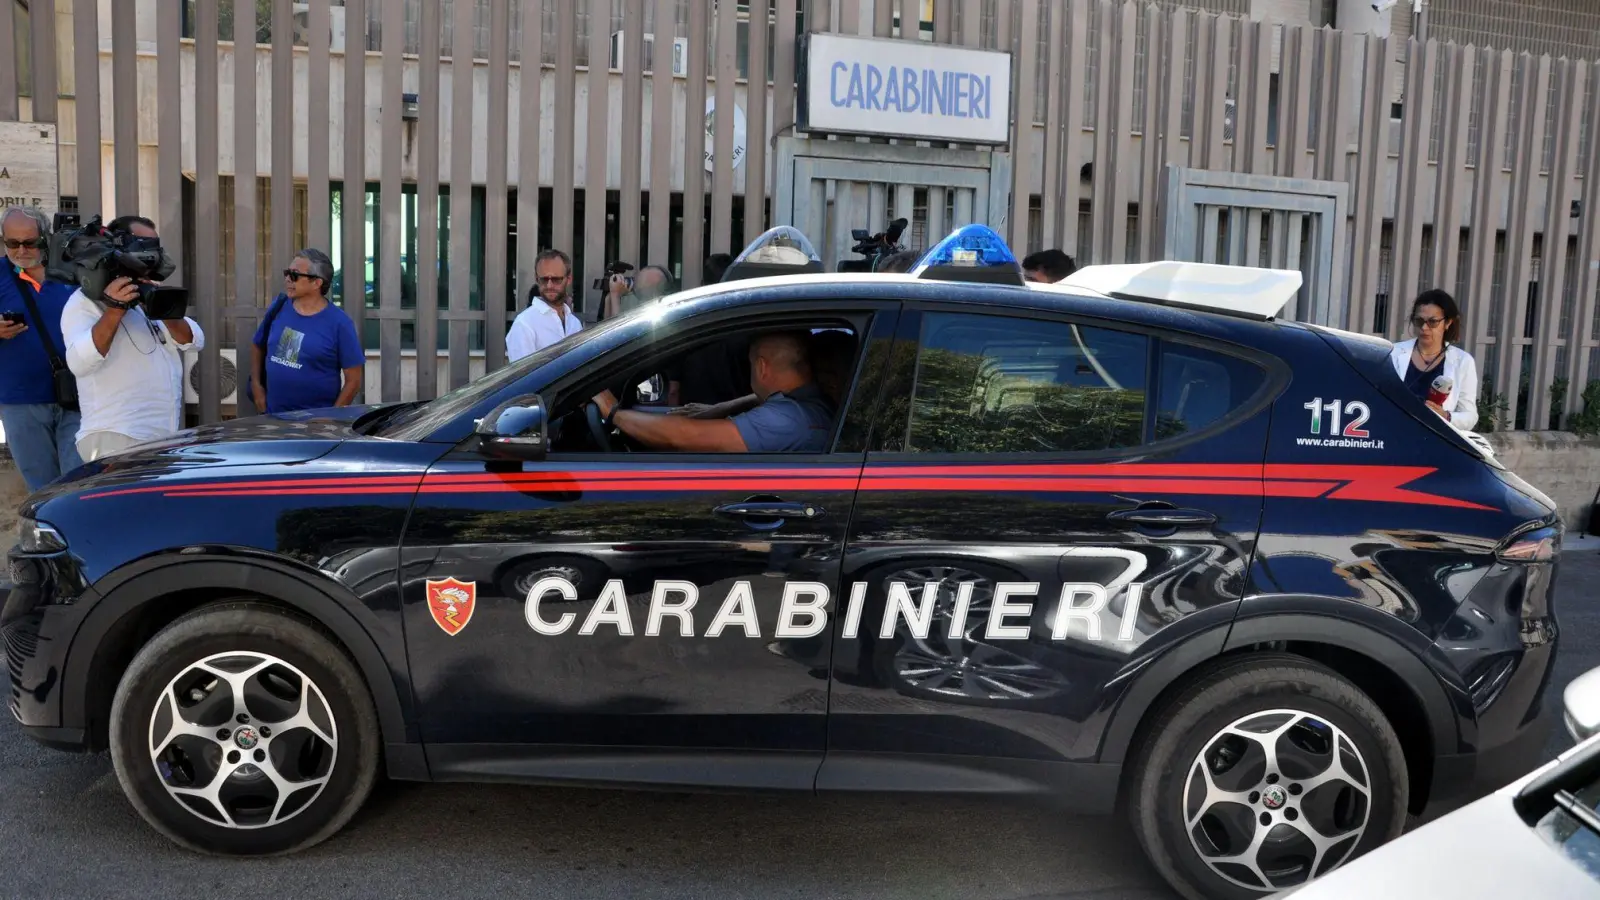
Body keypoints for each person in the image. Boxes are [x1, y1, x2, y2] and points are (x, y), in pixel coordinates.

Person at [61, 215, 205, 462]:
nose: (150, 254)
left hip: (161, 437)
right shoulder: (83, 302)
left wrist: (163, 306)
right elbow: (79, 362)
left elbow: (193, 340)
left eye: (154, 245)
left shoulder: (146, 293)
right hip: (115, 438)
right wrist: (114, 309)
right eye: (142, 244)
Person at [592, 330, 835, 453]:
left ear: (761, 367)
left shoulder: (786, 420)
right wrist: (720, 409)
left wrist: (613, 412)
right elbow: (767, 401)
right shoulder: (810, 403)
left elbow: (685, 436)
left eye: (749, 363)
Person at [0, 206, 84, 490]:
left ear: (46, 238)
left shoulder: (73, 273)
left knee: (78, 484)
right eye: (12, 243)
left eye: (29, 242)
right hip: (21, 402)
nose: (21, 250)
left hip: (79, 396)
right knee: (43, 490)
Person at [249, 249, 364, 415]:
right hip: (273, 419)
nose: (288, 279)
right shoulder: (279, 306)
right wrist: (257, 387)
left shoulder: (340, 323)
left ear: (317, 283)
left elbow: (354, 381)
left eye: (294, 275)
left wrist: (330, 418)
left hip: (315, 427)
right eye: (286, 273)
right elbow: (257, 345)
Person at [1389, 288, 1479, 432]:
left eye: (1433, 322)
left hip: (1436, 441)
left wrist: (1446, 416)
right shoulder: (1393, 353)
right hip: (1395, 434)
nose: (1424, 328)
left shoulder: (1462, 361)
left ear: (1448, 323)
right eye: (1419, 321)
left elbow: (1470, 416)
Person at [666, 254, 748, 407]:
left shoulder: (684, 327)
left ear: (702, 284)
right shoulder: (749, 326)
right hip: (738, 423)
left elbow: (673, 390)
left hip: (694, 422)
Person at [507, 249, 583, 362]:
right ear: (537, 279)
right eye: (544, 279)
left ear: (568, 279)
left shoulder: (574, 323)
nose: (549, 285)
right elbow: (524, 377)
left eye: (556, 279)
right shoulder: (524, 324)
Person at [603, 264, 678, 319]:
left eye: (645, 283)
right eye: (636, 279)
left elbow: (617, 334)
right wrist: (610, 297)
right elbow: (605, 332)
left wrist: (615, 295)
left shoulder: (657, 316)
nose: (636, 285)